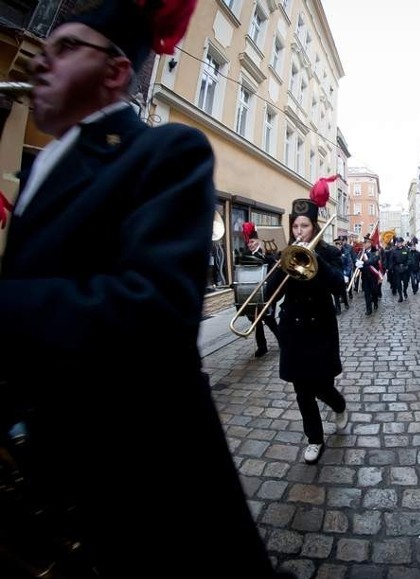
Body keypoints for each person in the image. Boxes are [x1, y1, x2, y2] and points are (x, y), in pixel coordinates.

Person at [0, 1, 283, 577]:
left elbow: (153, 311)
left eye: (64, 48)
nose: (41, 62)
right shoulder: (40, 167)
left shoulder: (164, 151)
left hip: (147, 466)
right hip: (58, 458)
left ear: (114, 70)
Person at [277, 177, 348, 464]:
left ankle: (339, 404)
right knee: (301, 390)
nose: (299, 230)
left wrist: (315, 259)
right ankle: (315, 439)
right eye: (295, 225)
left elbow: (339, 287)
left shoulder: (329, 252)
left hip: (320, 328)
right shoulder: (286, 254)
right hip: (293, 330)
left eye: (304, 225)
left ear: (314, 227)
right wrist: (283, 264)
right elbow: (271, 292)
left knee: (321, 386)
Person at [237, 222, 281, 357]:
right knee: (255, 321)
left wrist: (265, 259)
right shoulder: (245, 255)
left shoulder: (267, 253)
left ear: (257, 241)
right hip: (251, 291)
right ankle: (262, 346)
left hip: (266, 291)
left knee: (269, 319)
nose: (249, 245)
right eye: (248, 243)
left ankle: (282, 341)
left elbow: (274, 267)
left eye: (251, 242)